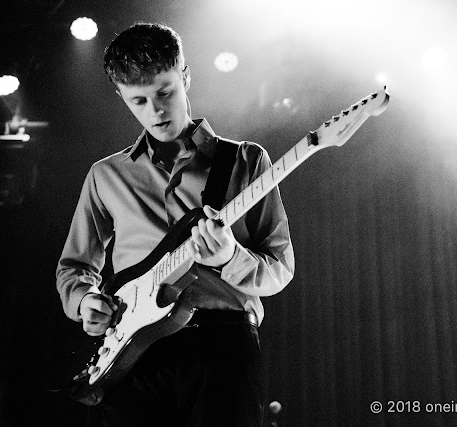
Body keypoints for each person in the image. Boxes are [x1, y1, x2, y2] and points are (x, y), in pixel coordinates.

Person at [56, 22, 294, 426]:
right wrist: (84, 301)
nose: (156, 111)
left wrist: (230, 256)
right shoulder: (105, 176)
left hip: (221, 344)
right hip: (132, 355)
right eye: (139, 101)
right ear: (121, 97)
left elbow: (279, 269)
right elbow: (74, 267)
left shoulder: (246, 161)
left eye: (165, 92)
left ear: (185, 75)